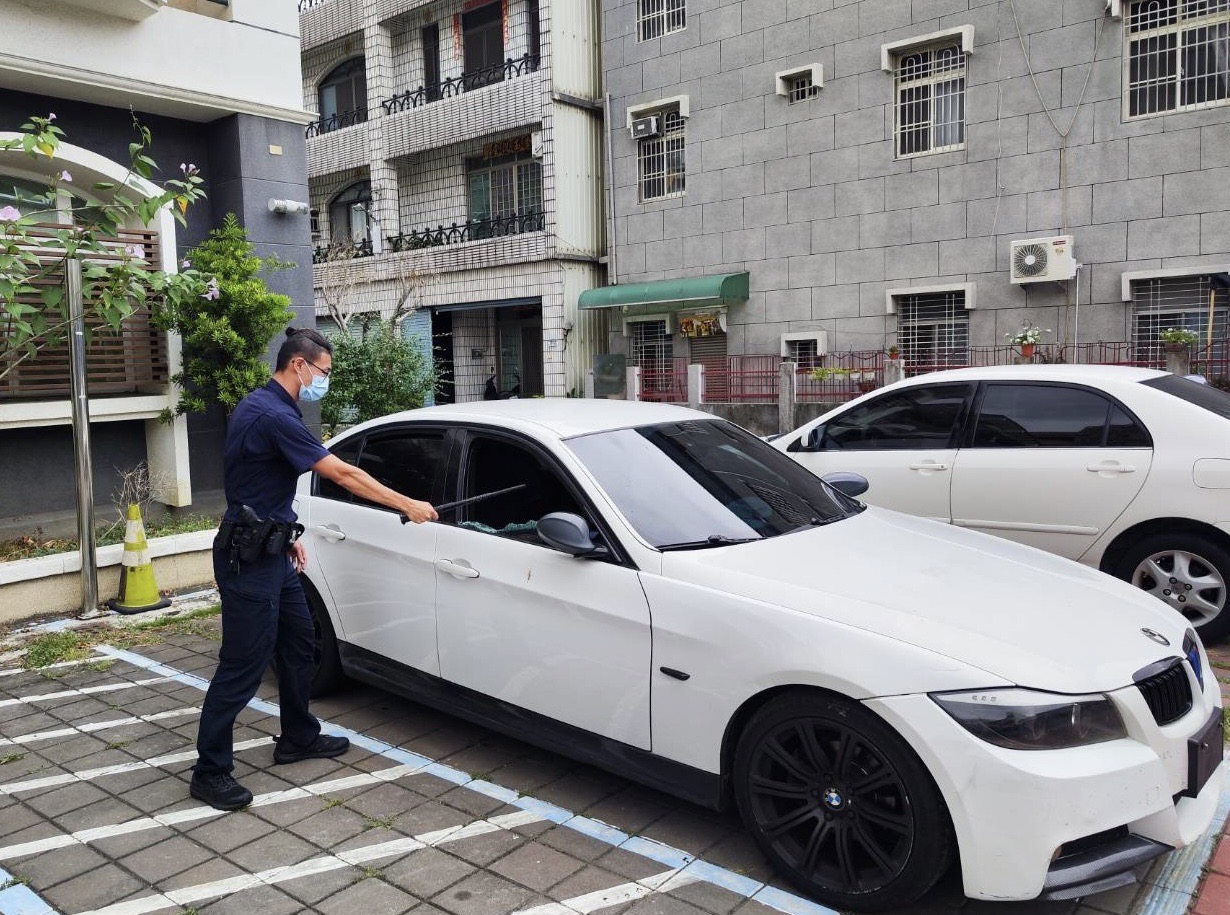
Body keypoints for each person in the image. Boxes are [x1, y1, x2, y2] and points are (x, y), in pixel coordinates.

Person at [190, 327, 438, 811]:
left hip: (272, 551)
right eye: (323, 372)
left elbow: (258, 484)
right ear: (298, 365)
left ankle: (298, 736)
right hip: (249, 561)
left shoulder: (266, 405)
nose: (324, 381)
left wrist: (286, 535)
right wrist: (406, 503)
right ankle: (210, 770)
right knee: (242, 665)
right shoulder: (273, 415)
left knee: (299, 643)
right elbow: (342, 473)